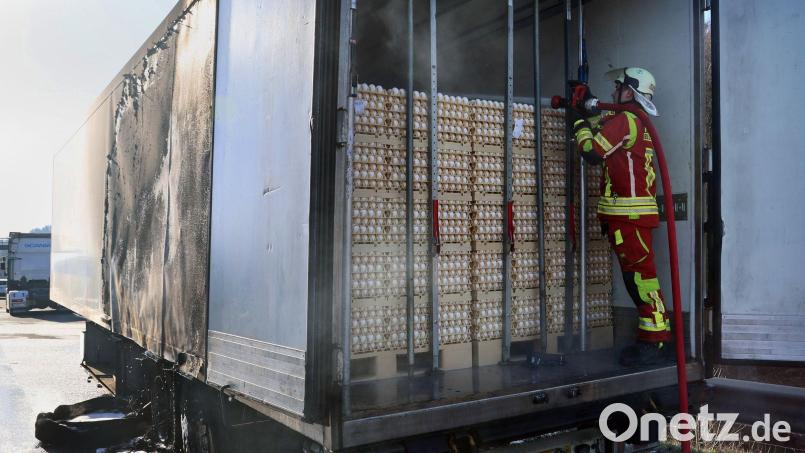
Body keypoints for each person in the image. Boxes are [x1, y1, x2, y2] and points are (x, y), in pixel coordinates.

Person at [569, 67, 672, 366]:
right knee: (637, 277)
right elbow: (602, 130)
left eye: (617, 87)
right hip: (630, 216)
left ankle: (656, 340)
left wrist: (577, 122)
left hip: (630, 216)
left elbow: (591, 151)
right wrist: (587, 106)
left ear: (629, 92)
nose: (613, 92)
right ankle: (653, 337)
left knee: (640, 278)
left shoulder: (626, 120)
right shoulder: (632, 121)